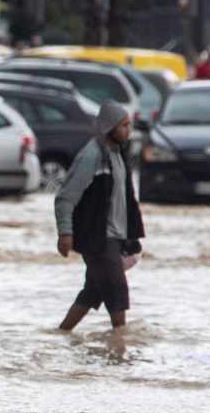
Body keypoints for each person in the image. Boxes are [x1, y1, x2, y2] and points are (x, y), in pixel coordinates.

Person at [52, 100, 145, 332]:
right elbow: (65, 198)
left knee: (92, 291)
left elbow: (126, 199)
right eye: (123, 125)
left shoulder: (118, 155)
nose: (128, 130)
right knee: (117, 292)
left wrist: (131, 235)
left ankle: (61, 334)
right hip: (99, 238)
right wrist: (65, 233)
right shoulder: (91, 156)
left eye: (129, 125)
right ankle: (119, 350)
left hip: (115, 237)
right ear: (109, 127)